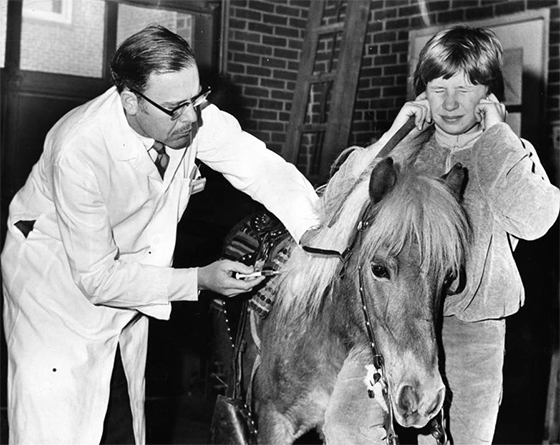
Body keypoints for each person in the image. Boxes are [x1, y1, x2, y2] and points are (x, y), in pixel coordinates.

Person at [1, 24, 320, 444]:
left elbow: (260, 167)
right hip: (56, 289)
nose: (192, 117)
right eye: (175, 108)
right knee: (60, 423)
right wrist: (200, 279)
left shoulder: (185, 114)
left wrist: (318, 237)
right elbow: (96, 278)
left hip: (125, 273)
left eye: (196, 98)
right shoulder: (78, 149)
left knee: (119, 418)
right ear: (131, 101)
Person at [383, 26, 559, 444]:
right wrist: (396, 134)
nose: (450, 102)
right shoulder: (408, 150)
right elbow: (340, 208)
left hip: (474, 330)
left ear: (490, 93)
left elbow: (535, 220)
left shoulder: (509, 152)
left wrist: (498, 136)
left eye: (467, 87)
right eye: (438, 86)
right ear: (422, 89)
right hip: (397, 323)